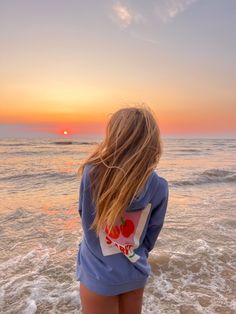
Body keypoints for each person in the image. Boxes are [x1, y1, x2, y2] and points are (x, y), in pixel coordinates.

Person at [76, 105, 169, 314]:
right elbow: (152, 233)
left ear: (114, 137)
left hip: (99, 270)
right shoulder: (159, 186)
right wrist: (133, 252)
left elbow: (86, 217)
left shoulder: (93, 174)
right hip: (134, 271)